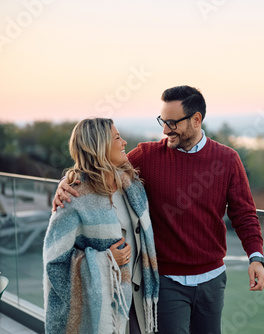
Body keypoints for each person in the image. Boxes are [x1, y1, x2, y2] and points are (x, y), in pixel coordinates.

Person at [53, 86, 264, 333]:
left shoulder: (228, 159)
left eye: (172, 123)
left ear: (196, 120)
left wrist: (256, 257)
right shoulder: (147, 155)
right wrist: (65, 183)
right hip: (166, 282)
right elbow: (100, 170)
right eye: (163, 121)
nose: (165, 130)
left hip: (213, 280)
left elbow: (244, 213)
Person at [43, 118, 159, 334]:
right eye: (117, 138)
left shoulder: (131, 184)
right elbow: (55, 262)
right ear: (100, 145)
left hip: (136, 298)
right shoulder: (73, 196)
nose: (124, 142)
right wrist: (106, 261)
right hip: (102, 309)